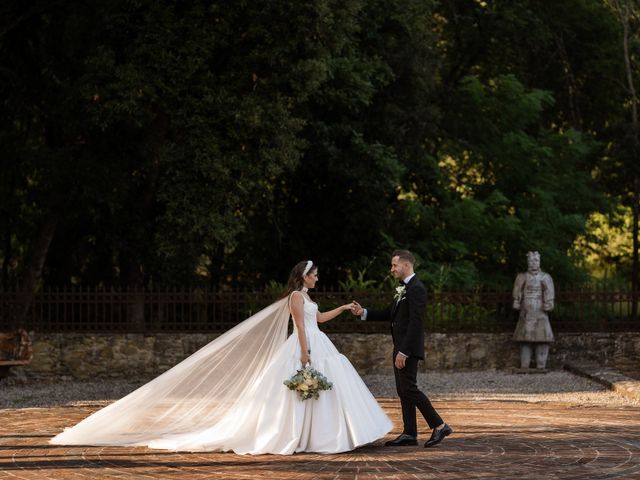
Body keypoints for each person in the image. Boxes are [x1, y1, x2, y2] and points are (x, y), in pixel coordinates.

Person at [50, 260, 392, 455]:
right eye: (314, 274)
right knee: (301, 390)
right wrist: (304, 352)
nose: (318, 278)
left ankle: (326, 435)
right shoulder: (295, 298)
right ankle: (304, 436)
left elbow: (317, 320)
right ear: (303, 275)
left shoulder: (307, 298)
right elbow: (302, 329)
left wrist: (344, 308)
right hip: (306, 347)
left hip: (318, 342)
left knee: (324, 389)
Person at [351, 250, 452, 448]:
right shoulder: (403, 289)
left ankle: (439, 425)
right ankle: (409, 433)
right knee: (403, 390)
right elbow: (390, 313)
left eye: (394, 265)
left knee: (409, 388)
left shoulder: (417, 289)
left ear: (406, 265)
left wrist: (404, 351)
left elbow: (416, 323)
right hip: (400, 347)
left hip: (408, 348)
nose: (392, 269)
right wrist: (364, 312)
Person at [512, 251, 555, 369]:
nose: (533, 263)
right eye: (531, 260)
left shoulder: (545, 277)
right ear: (527, 262)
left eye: (536, 260)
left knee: (542, 339)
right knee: (525, 340)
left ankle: (541, 365)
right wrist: (516, 300)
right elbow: (517, 290)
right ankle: (524, 365)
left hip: (541, 313)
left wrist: (549, 302)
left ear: (539, 262)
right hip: (526, 313)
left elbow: (549, 291)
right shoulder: (522, 277)